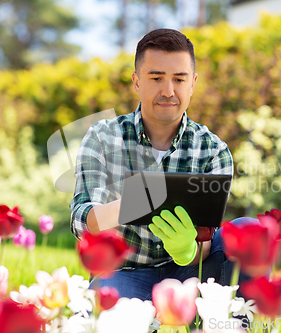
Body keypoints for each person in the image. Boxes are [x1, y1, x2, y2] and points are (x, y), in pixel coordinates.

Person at [70, 28, 246, 300]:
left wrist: (187, 250)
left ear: (193, 83)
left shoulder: (213, 150)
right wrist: (136, 202)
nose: (168, 91)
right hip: (123, 274)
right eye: (156, 78)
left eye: (179, 79)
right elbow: (83, 221)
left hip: (188, 272)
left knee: (248, 230)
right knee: (106, 314)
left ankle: (233, 325)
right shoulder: (103, 138)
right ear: (137, 82)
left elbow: (207, 245)